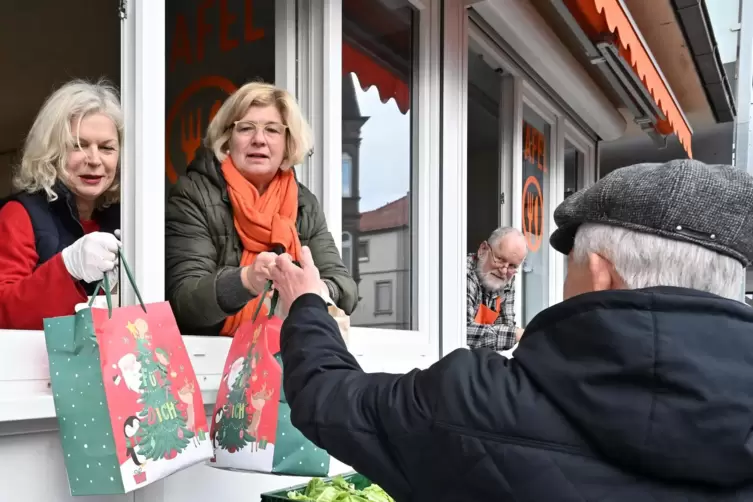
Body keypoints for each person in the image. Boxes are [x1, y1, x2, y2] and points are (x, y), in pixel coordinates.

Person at [268, 159, 753, 501]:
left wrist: (308, 303)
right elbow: (494, 332)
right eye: (501, 261)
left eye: (571, 268)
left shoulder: (473, 402)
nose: (506, 272)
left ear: (602, 275)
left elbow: (329, 396)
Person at [165, 82, 357, 336]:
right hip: (211, 360)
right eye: (245, 129)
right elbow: (184, 302)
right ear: (226, 140)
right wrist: (247, 280)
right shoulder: (193, 194)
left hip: (287, 353)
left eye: (272, 130)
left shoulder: (304, 203)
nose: (259, 140)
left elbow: (346, 289)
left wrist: (315, 290)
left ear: (288, 142)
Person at [0, 79, 123, 330]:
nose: (94, 159)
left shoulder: (128, 217)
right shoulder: (20, 214)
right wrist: (67, 268)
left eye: (107, 147)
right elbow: (4, 312)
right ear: (51, 151)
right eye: (78, 146)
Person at [466, 227, 527, 350]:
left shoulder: (506, 280)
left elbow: (506, 325)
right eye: (500, 259)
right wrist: (516, 334)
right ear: (483, 250)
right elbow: (462, 331)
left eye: (512, 265)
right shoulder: (463, 273)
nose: (504, 271)